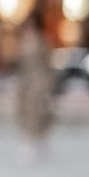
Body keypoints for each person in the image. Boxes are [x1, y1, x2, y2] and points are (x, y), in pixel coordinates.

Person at [12, 18, 56, 161]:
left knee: (39, 112)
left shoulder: (42, 42)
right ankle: (29, 141)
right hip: (25, 83)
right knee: (24, 111)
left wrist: (49, 88)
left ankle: (36, 140)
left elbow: (48, 65)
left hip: (40, 83)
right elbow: (20, 66)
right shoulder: (22, 43)